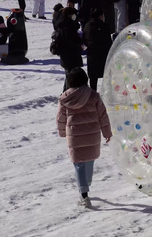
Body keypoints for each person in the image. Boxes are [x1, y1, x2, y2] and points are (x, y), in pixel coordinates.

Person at [56, 67, 112, 208]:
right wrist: (107, 132)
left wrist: (63, 132)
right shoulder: (93, 96)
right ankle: (86, 184)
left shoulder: (65, 98)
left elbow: (60, 118)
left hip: (75, 136)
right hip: (92, 135)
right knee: (89, 161)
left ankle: (84, 194)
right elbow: (103, 115)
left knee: (79, 164)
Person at [83, 8, 112, 91]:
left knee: (93, 77)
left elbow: (84, 40)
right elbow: (108, 41)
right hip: (103, 54)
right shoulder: (104, 26)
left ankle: (93, 94)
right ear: (100, 16)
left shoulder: (87, 25)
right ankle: (106, 93)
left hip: (91, 54)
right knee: (106, 75)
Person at [55, 7, 84, 92]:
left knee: (69, 77)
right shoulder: (67, 27)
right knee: (70, 78)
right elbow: (71, 41)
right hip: (69, 56)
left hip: (68, 56)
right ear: (69, 15)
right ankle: (67, 97)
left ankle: (65, 95)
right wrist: (80, 43)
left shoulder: (68, 25)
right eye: (74, 14)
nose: (75, 16)